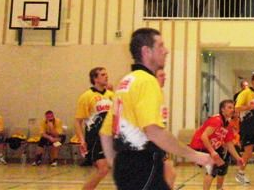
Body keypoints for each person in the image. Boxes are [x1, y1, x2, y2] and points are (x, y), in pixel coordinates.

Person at [100, 28, 211, 190]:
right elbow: (153, 131)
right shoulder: (147, 82)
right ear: (147, 51)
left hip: (126, 166)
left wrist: (116, 165)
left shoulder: (126, 81)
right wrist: (195, 155)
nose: (166, 51)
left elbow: (105, 133)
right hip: (143, 166)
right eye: (160, 46)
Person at [189, 100, 245, 190]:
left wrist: (238, 158)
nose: (232, 110)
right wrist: (212, 152)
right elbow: (204, 136)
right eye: (229, 107)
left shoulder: (228, 124)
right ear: (222, 109)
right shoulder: (216, 120)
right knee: (213, 168)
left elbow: (229, 143)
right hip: (200, 146)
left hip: (211, 146)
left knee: (223, 164)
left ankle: (219, 188)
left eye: (233, 108)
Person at [74, 67, 114, 189]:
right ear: (95, 79)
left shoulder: (111, 95)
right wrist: (82, 140)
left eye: (106, 74)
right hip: (95, 138)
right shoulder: (86, 96)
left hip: (110, 137)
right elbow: (78, 121)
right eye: (103, 75)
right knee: (103, 169)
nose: (106, 76)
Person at [156, 68, 176, 190]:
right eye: (161, 75)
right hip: (151, 140)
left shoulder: (160, 93)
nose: (165, 78)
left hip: (159, 139)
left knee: (170, 173)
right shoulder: (149, 94)